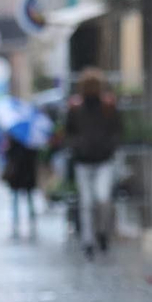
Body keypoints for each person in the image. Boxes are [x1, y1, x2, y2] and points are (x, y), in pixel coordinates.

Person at [63, 68, 123, 259]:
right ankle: (88, 241)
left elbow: (117, 130)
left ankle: (102, 232)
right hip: (83, 161)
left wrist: (109, 147)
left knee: (103, 198)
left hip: (103, 160)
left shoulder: (108, 107)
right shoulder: (75, 109)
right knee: (86, 202)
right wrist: (77, 147)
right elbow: (68, 132)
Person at [2, 134, 39, 235]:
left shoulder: (14, 139)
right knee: (28, 200)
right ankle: (31, 221)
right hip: (27, 175)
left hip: (17, 175)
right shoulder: (32, 140)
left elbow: (8, 155)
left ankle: (16, 222)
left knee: (16, 200)